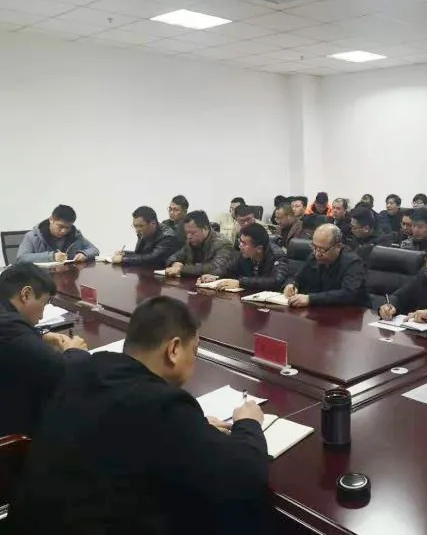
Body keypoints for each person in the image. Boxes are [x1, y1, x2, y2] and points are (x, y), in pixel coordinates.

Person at [9, 296, 268, 534]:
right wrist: (248, 423)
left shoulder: (81, 370)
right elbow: (244, 477)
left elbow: (124, 429)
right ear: (174, 349)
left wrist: (195, 427)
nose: (195, 359)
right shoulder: (163, 405)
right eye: (195, 351)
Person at [0, 263, 88, 436]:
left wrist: (41, 334)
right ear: (26, 294)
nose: (41, 316)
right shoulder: (8, 327)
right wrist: (75, 350)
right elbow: (63, 372)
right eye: (44, 304)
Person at [283, 224, 368, 308]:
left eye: (322, 250)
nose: (317, 254)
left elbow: (348, 294)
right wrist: (291, 285)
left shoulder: (353, 263)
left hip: (349, 312)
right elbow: (297, 277)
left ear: (338, 246)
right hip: (320, 310)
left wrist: (311, 299)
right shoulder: (314, 257)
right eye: (314, 247)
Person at [197, 224, 288, 292]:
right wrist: (214, 276)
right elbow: (228, 269)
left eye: (244, 243)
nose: (240, 246)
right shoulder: (245, 253)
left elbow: (276, 281)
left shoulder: (277, 255)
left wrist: (241, 283)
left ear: (259, 248)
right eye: (240, 241)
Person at [17, 205, 99, 264]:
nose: (63, 231)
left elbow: (94, 250)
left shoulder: (75, 235)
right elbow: (22, 258)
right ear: (51, 219)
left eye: (68, 227)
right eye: (60, 226)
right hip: (42, 278)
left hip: (68, 276)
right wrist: (52, 257)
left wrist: (84, 254)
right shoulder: (32, 236)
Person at [166, 211, 235, 277]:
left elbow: (216, 268)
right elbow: (174, 257)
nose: (188, 236)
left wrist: (182, 269)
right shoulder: (190, 242)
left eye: (192, 233)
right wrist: (175, 263)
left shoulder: (223, 244)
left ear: (205, 228)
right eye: (187, 233)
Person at [111, 206, 180, 269]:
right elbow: (140, 254)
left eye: (140, 226)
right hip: (147, 271)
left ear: (153, 223)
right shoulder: (143, 232)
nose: (137, 230)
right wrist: (125, 253)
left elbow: (152, 259)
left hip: (164, 274)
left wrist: (123, 259)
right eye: (135, 226)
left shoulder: (167, 236)